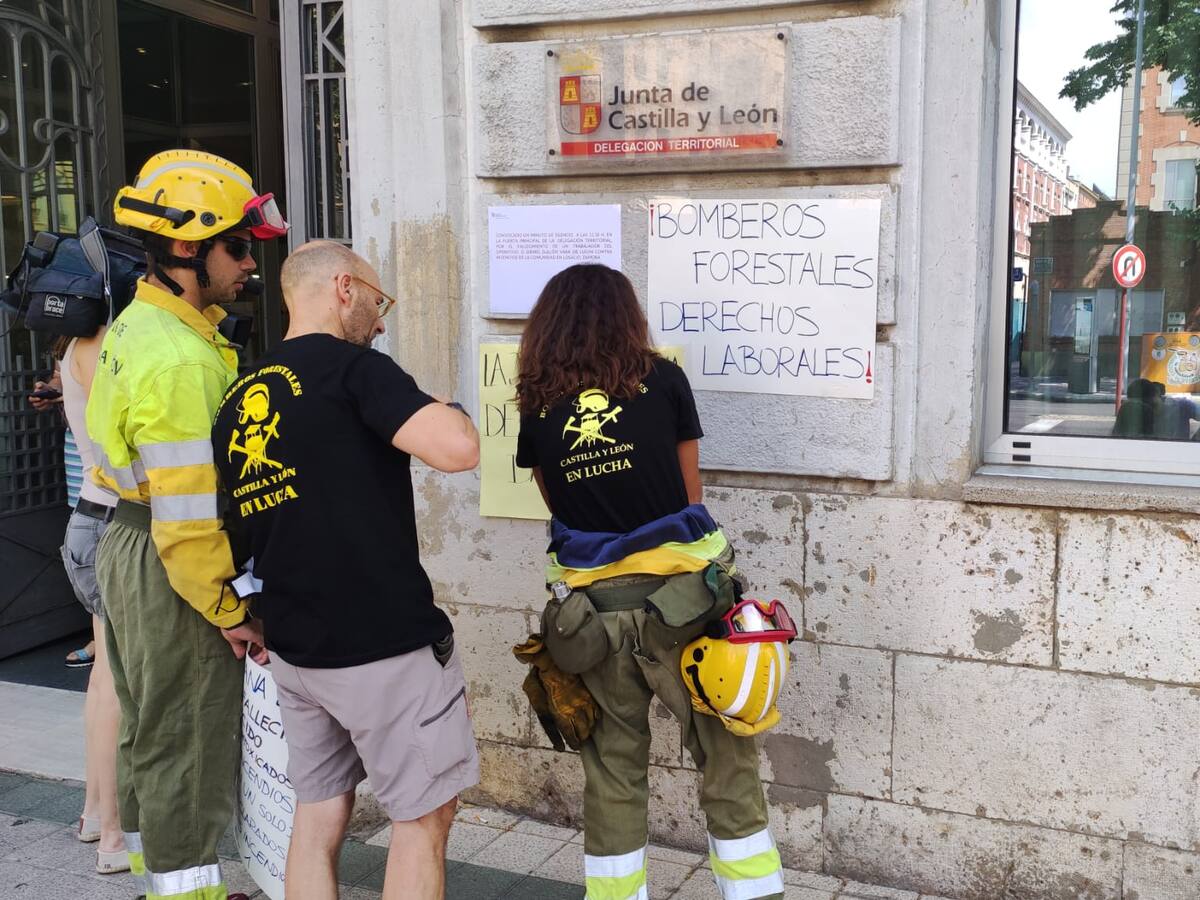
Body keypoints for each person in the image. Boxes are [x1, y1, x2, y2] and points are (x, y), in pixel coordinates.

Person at [210, 240, 481, 900]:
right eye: (378, 301)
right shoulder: (358, 371)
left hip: (297, 648)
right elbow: (458, 451)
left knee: (321, 809)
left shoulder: (239, 396)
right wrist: (448, 409)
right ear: (343, 288)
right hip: (379, 644)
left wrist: (241, 616)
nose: (381, 321)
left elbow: (234, 530)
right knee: (423, 816)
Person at [515, 264, 786, 900]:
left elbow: (558, 507)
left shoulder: (538, 404)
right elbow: (690, 498)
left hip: (591, 616)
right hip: (685, 606)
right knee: (726, 755)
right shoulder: (662, 378)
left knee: (612, 770)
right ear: (626, 316)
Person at [86, 149, 286, 900]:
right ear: (184, 248)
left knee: (148, 730)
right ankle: (191, 894)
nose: (248, 266)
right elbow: (191, 519)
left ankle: (159, 879)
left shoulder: (140, 323)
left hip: (131, 546)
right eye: (236, 248)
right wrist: (229, 608)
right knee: (187, 744)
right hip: (175, 563)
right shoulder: (180, 360)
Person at [26, 358, 96, 669]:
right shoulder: (68, 339)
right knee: (86, 546)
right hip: (77, 452)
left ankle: (107, 637)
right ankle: (99, 632)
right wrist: (51, 390)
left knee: (110, 543)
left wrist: (70, 396)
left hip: (104, 453)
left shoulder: (110, 329)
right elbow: (60, 377)